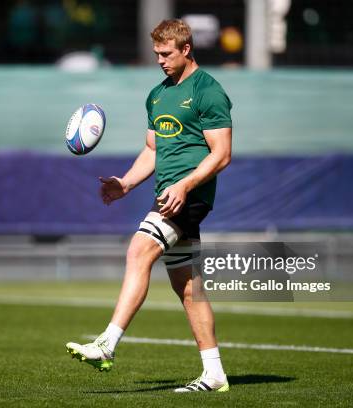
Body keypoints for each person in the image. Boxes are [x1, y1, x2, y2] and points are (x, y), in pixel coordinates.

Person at [66, 18, 233, 393]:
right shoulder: (157, 94)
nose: (160, 59)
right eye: (156, 53)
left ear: (186, 49)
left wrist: (186, 185)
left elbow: (222, 154)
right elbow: (152, 150)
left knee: (139, 250)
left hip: (189, 197)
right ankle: (215, 374)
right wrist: (125, 183)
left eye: (166, 53)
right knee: (189, 288)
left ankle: (107, 344)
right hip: (167, 193)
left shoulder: (208, 91)